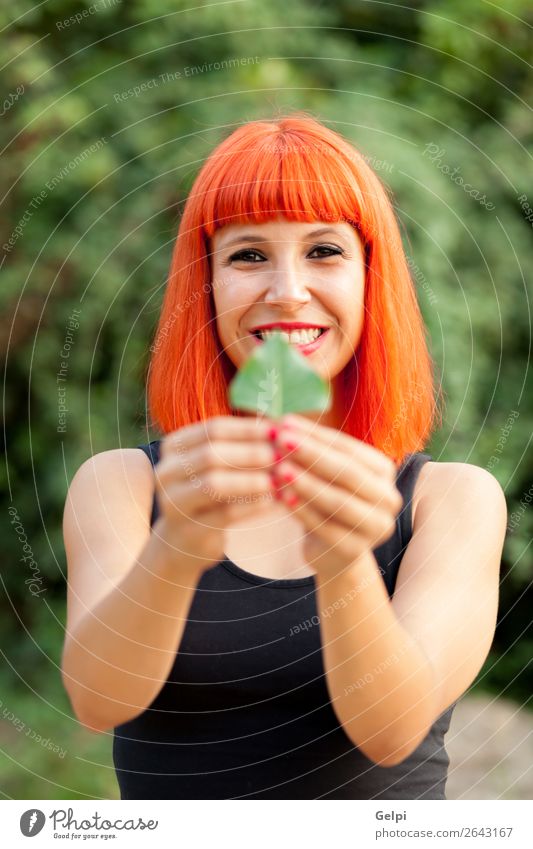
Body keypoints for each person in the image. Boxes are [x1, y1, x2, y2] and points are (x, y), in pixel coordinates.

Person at [61, 112, 507, 800]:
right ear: (204, 284)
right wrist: (177, 546)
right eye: (248, 255)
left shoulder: (451, 500)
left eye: (324, 251)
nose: (287, 289)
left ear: (371, 279)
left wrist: (340, 556)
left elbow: (391, 731)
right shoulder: (122, 485)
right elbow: (97, 700)